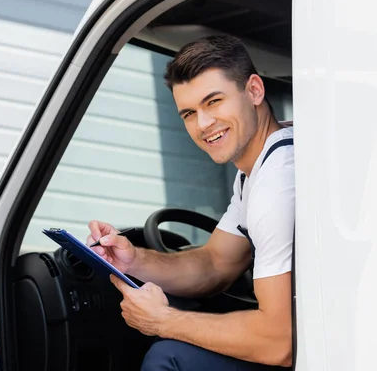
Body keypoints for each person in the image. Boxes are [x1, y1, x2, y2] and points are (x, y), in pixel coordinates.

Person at [87, 35, 295, 370]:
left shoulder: (277, 182)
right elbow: (215, 263)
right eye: (188, 113)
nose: (203, 124)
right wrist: (133, 260)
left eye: (214, 102)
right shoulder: (256, 171)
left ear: (255, 90)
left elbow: (279, 341)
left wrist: (163, 320)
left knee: (169, 358)